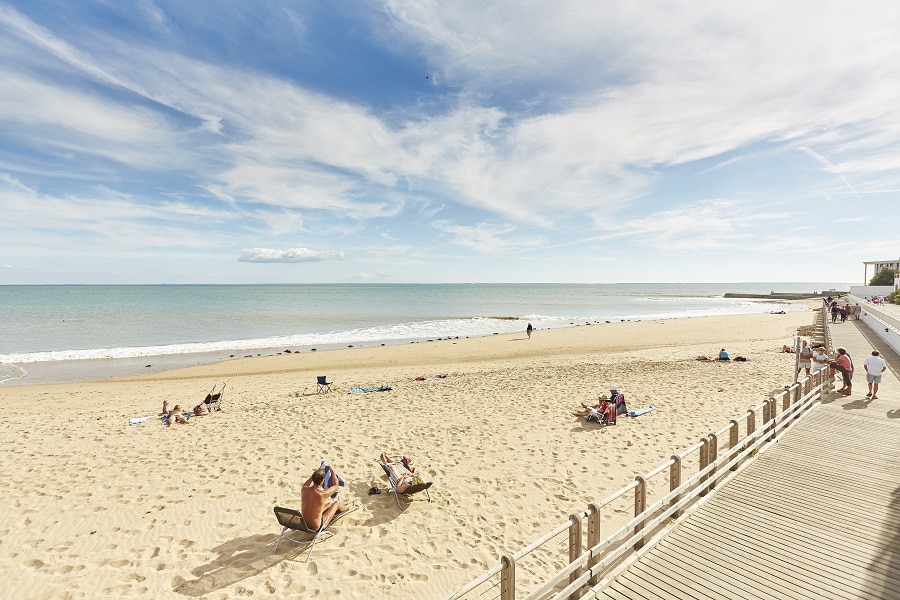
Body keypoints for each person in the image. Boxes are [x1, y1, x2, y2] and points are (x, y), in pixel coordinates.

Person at [301, 465, 349, 531]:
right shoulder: (322, 494)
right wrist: (332, 471)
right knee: (336, 504)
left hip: (304, 524)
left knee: (329, 504)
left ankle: (344, 503)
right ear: (322, 481)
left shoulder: (304, 489)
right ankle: (346, 508)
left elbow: (307, 483)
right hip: (316, 527)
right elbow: (336, 485)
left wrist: (316, 474)